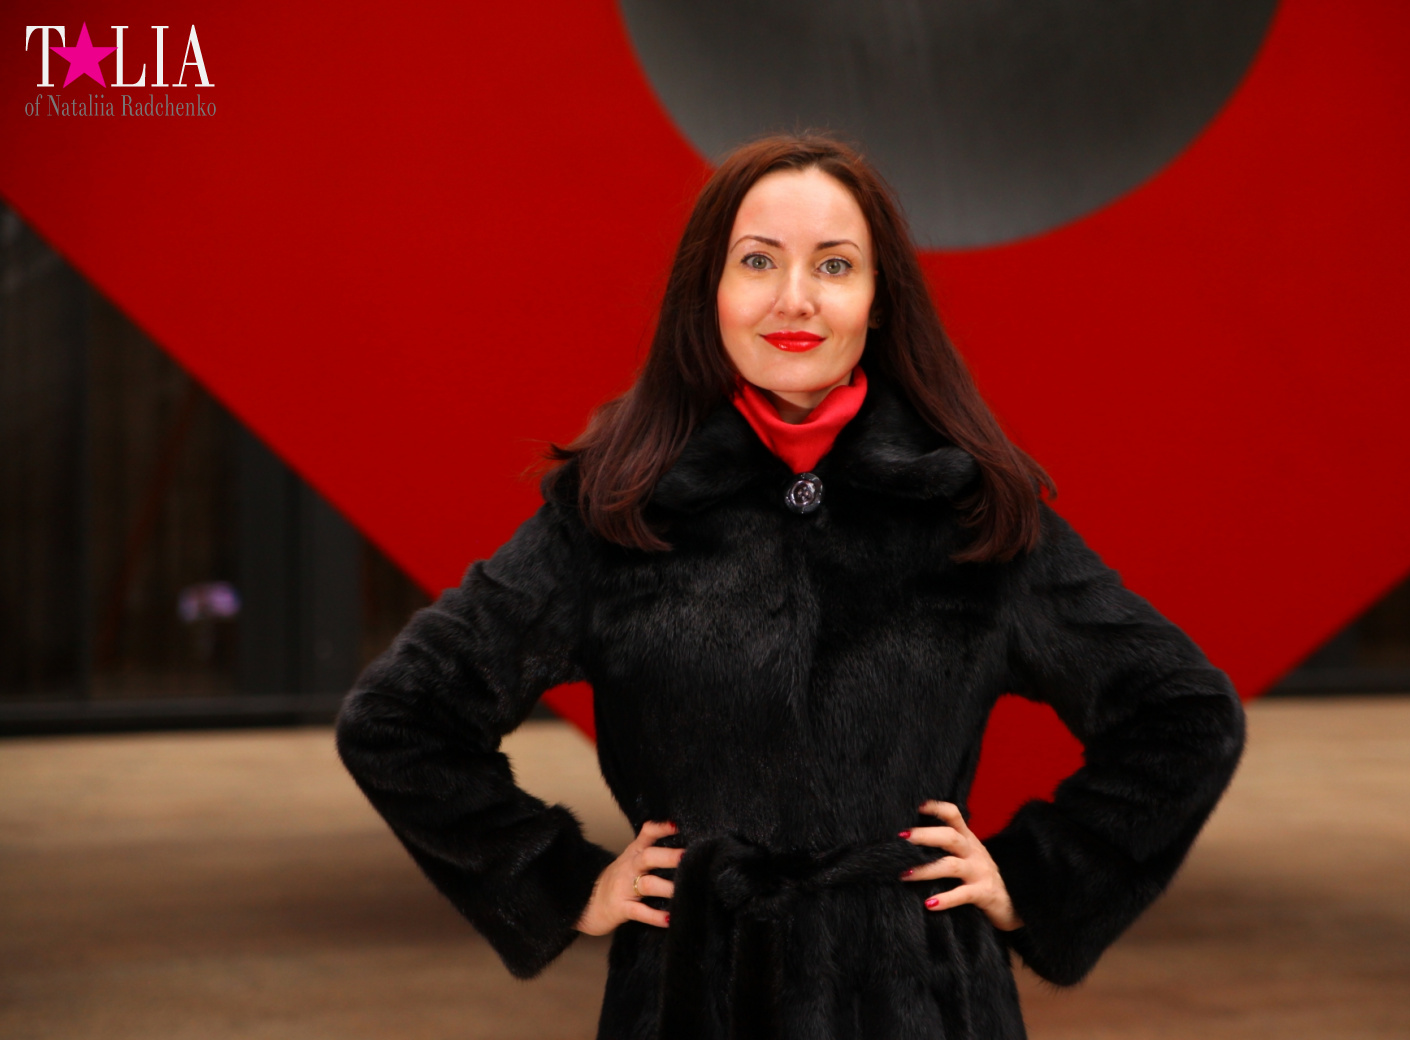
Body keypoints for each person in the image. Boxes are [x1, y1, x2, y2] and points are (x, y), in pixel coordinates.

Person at [336, 134, 1244, 1040]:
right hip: (692, 1001)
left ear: (880, 300)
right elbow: (401, 720)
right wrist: (564, 883)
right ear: (710, 293)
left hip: (926, 1007)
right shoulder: (614, 511)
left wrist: (1040, 882)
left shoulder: (969, 509)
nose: (795, 299)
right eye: (758, 261)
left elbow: (1183, 713)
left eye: (836, 265)